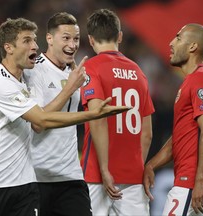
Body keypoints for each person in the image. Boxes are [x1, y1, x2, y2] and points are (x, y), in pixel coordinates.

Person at [0, 17, 130, 216]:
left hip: (27, 182)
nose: (34, 45)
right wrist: (91, 113)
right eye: (27, 41)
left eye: (34, 40)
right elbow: (41, 121)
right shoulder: (3, 83)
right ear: (9, 47)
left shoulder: (23, 79)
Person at [143, 23, 203, 215]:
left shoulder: (201, 79)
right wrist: (151, 165)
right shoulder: (194, 80)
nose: (171, 43)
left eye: (178, 38)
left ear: (192, 47)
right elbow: (181, 138)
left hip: (193, 180)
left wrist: (199, 181)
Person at [80, 9, 155, 216]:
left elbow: (97, 118)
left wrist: (105, 169)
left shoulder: (91, 68)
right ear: (120, 36)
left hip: (96, 174)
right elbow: (147, 134)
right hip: (133, 176)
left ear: (91, 39)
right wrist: (136, 167)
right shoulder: (139, 72)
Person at [24, 12, 91, 216]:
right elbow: (38, 123)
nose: (73, 45)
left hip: (71, 175)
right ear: (50, 39)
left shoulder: (75, 73)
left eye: (76, 39)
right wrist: (69, 88)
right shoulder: (33, 71)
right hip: (38, 177)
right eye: (66, 38)